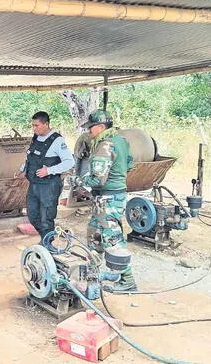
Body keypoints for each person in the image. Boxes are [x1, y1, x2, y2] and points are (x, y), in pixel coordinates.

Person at [78, 109, 136, 292]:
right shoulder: (121, 140)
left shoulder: (105, 145)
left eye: (91, 128)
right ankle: (94, 271)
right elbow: (130, 164)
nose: (89, 131)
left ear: (101, 127)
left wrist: (77, 181)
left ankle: (127, 281)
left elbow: (97, 179)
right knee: (95, 232)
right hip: (110, 196)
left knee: (112, 238)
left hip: (108, 198)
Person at [15, 111, 75, 241]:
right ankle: (47, 237)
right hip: (34, 184)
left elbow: (70, 162)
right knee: (32, 214)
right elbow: (31, 158)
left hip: (49, 185)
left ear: (46, 124)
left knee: (46, 218)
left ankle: (47, 244)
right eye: (33, 125)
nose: (34, 128)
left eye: (36, 125)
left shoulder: (57, 141)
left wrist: (49, 170)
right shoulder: (36, 137)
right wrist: (22, 169)